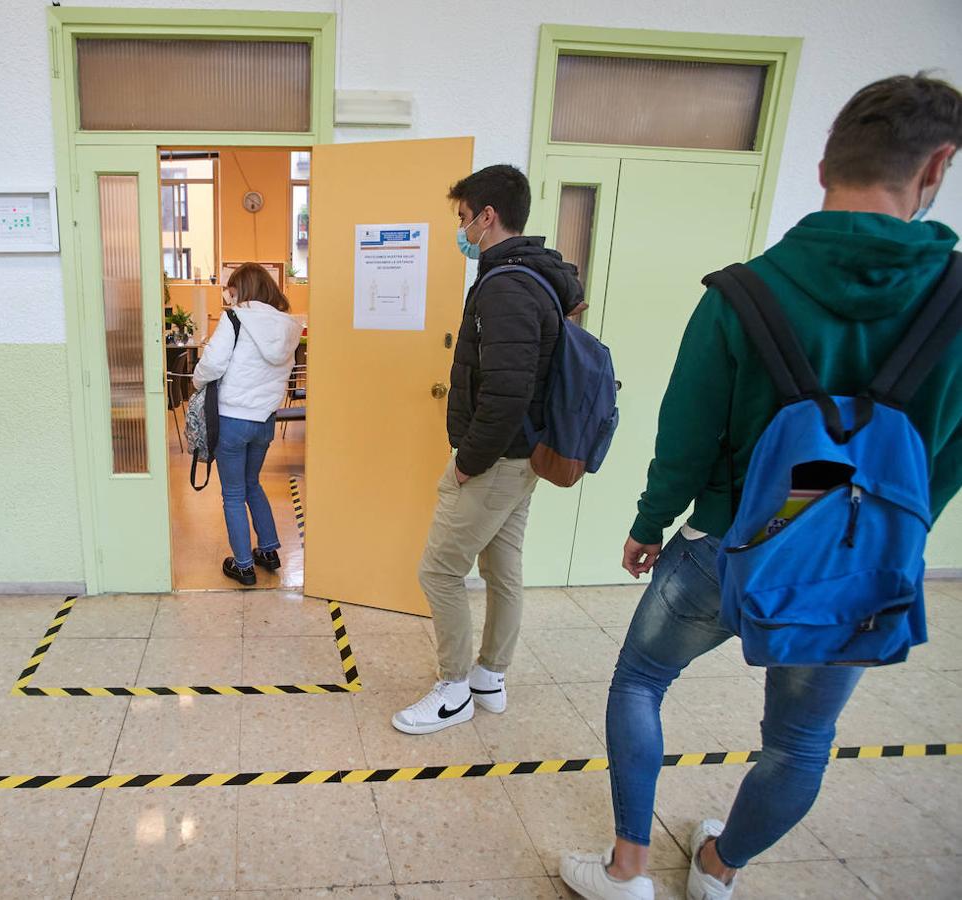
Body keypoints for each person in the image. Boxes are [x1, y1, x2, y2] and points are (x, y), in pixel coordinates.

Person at [560, 73, 962, 900]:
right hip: (856, 569)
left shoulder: (742, 295)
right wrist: (890, 544)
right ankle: (719, 869)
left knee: (640, 681)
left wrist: (648, 523)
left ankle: (628, 869)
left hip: (725, 544)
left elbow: (685, 433)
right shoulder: (956, 304)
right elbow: (942, 460)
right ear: (937, 169)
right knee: (801, 741)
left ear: (822, 167)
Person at [392, 165, 585, 734]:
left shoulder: (506, 286)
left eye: (462, 219)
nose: (461, 231)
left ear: (487, 217)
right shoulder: (539, 277)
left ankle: (453, 690)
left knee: (439, 572)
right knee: (503, 568)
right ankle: (489, 678)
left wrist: (468, 461)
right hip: (525, 455)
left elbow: (505, 391)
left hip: (499, 458)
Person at [193, 263, 304, 587]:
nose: (229, 294)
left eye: (231, 288)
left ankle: (243, 565)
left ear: (242, 289)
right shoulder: (289, 326)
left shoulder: (234, 318)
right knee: (252, 483)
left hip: (232, 418)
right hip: (265, 421)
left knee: (233, 493)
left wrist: (198, 383)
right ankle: (268, 551)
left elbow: (212, 363)